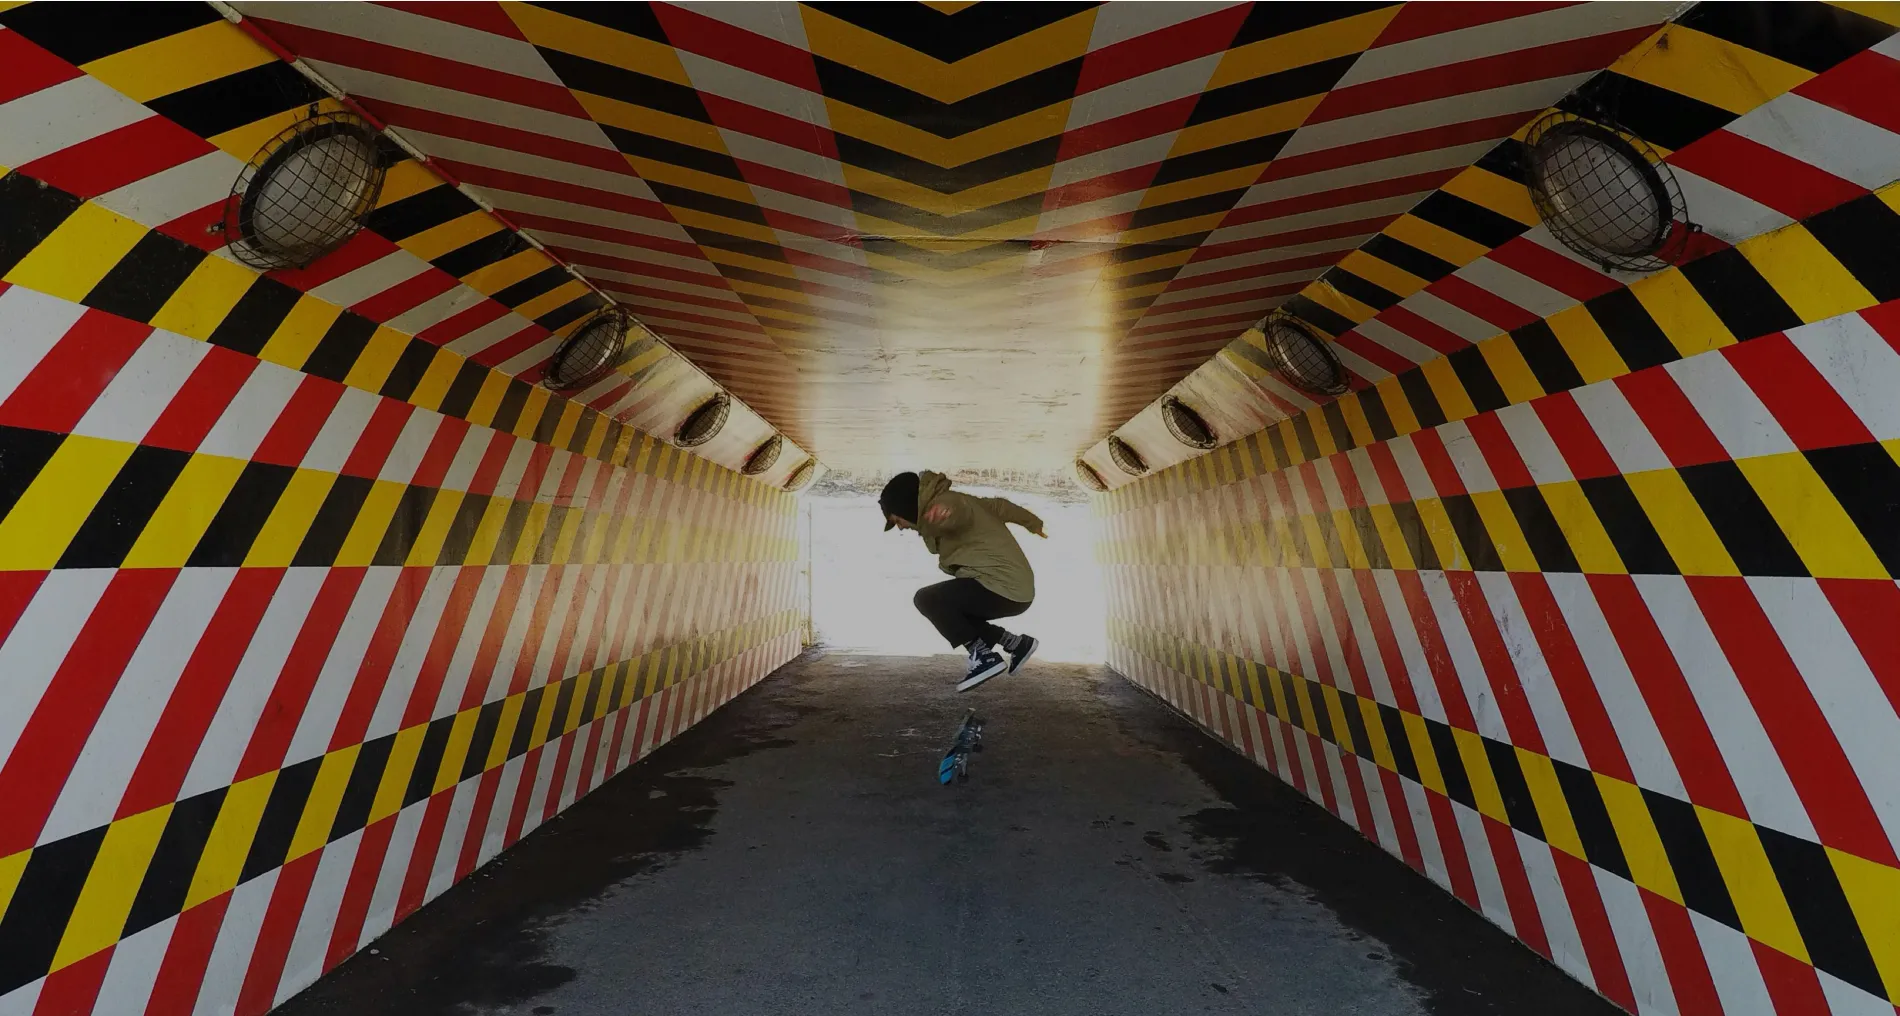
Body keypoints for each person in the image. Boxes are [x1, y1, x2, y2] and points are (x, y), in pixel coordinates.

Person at [880, 471, 1044, 691]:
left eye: (897, 520)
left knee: (927, 599)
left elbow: (957, 511)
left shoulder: (947, 504)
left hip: (1002, 587)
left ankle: (983, 657)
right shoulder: (959, 501)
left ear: (906, 507)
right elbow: (1000, 507)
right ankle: (1016, 643)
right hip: (1012, 588)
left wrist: (947, 514)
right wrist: (1033, 523)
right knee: (952, 613)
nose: (900, 526)